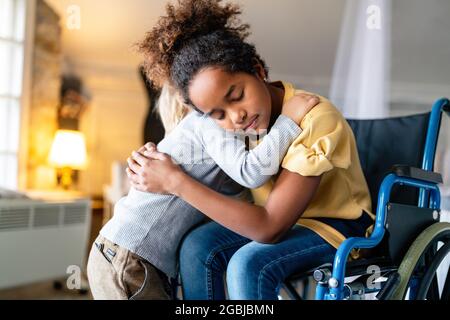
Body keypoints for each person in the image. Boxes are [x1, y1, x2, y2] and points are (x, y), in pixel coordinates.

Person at [128, 0, 374, 300]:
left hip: (335, 228)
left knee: (248, 264)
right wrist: (149, 165)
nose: (236, 117)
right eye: (218, 114)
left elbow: (269, 227)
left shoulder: (316, 117)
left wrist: (175, 182)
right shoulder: (232, 127)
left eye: (237, 96)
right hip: (279, 220)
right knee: (196, 247)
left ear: (258, 71)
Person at [87, 81, 319, 298]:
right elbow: (253, 171)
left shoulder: (212, 142)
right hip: (129, 258)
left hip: (126, 255)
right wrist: (288, 121)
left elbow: (236, 200)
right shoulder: (205, 122)